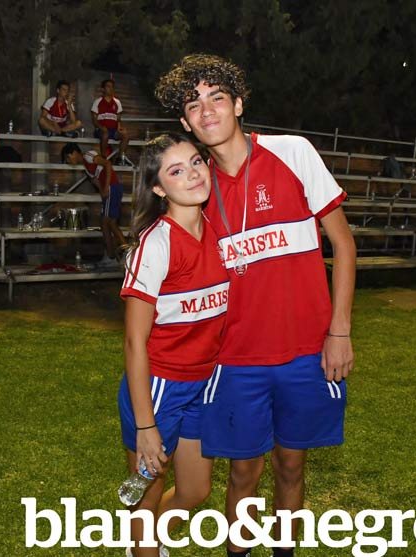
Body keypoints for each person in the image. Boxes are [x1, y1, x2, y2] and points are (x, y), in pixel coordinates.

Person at [155, 54, 356, 557]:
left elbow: (344, 244)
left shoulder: (293, 152)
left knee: (291, 466)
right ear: (186, 123)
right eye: (193, 104)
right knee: (243, 473)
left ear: (239, 104)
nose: (207, 110)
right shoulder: (195, 186)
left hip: (306, 352)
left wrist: (339, 331)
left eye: (217, 97)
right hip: (235, 359)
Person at [119, 133, 228, 557]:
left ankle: (144, 544)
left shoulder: (217, 231)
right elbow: (134, 341)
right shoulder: (156, 243)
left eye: (196, 162)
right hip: (159, 388)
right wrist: (146, 426)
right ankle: (142, 546)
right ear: (159, 188)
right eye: (176, 171)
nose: (193, 174)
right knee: (145, 500)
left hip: (203, 384)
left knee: (196, 490)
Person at [61, 143, 125, 266]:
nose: (68, 161)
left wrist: (106, 187)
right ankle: (111, 256)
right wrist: (102, 191)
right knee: (105, 223)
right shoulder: (86, 166)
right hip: (110, 189)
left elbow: (107, 164)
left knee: (109, 222)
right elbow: (95, 180)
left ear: (74, 153)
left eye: (68, 157)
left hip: (112, 187)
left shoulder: (89, 156)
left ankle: (127, 253)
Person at [91, 78, 131, 164]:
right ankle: (104, 158)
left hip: (113, 131)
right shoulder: (97, 102)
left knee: (125, 135)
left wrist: (120, 128)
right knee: (105, 133)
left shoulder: (117, 102)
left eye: (112, 87)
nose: (111, 88)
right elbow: (94, 120)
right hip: (101, 130)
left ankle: (120, 158)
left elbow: (118, 119)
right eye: (108, 86)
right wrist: (102, 128)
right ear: (103, 89)